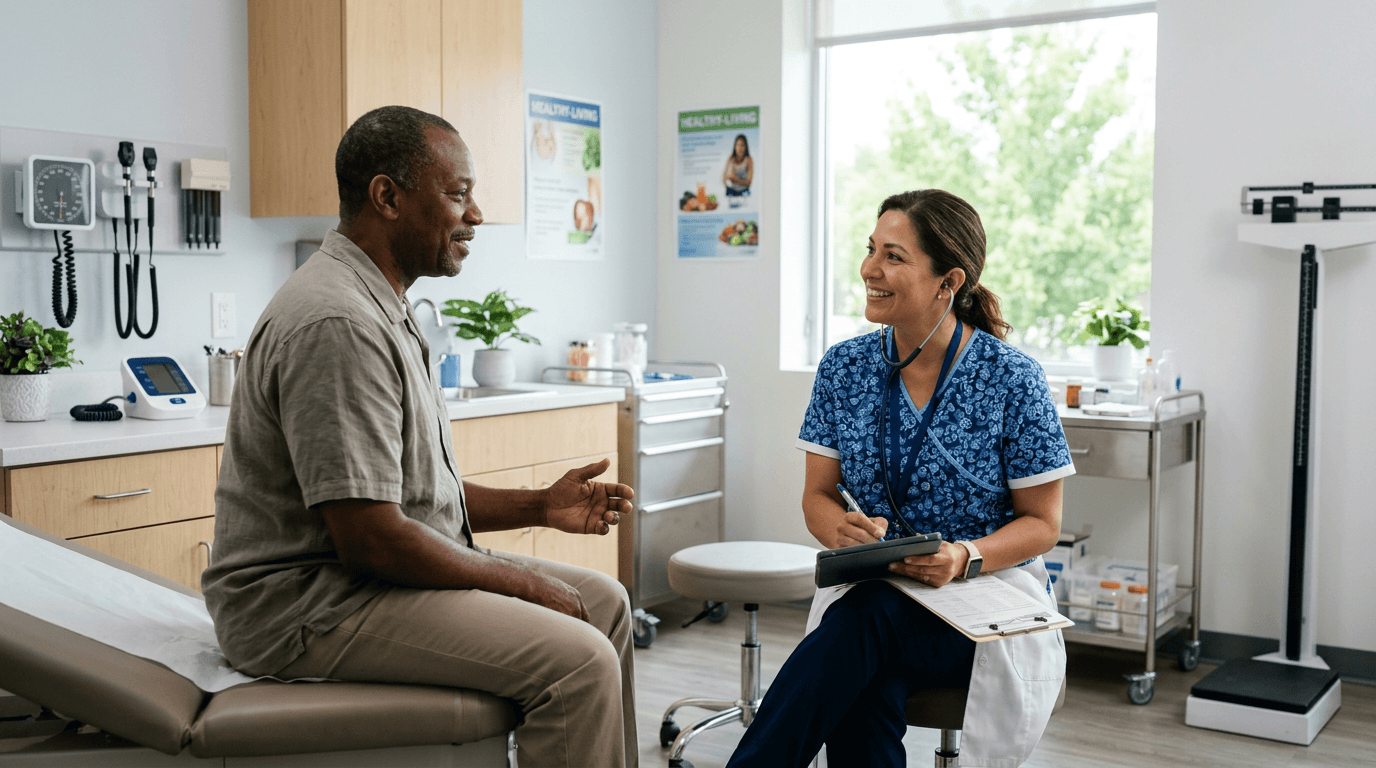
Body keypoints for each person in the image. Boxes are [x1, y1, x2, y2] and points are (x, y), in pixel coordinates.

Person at [202, 105, 639, 768]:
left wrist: (538, 507)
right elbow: (372, 536)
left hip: (353, 580)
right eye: (458, 193)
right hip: (301, 606)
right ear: (387, 197)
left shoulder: (383, 303)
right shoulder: (337, 321)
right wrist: (519, 585)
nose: (477, 215)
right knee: (574, 662)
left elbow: (404, 496)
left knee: (606, 603)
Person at [726, 189, 1073, 768]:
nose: (869, 269)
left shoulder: (1013, 379)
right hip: (876, 594)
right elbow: (818, 495)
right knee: (868, 664)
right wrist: (841, 530)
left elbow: (1043, 524)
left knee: (862, 628)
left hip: (984, 605)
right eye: (870, 250)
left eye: (893, 256)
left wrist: (962, 556)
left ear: (949, 281)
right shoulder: (845, 366)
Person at [721, 134, 753, 202]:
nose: (739, 148)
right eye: (737, 145)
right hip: (731, 190)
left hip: (743, 191)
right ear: (734, 146)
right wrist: (727, 181)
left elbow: (749, 182)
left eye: (742, 145)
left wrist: (736, 180)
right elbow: (724, 177)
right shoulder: (731, 159)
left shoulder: (748, 160)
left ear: (746, 147)